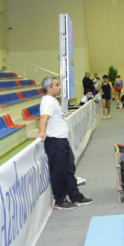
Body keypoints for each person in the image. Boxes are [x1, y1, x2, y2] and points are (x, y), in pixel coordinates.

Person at [36, 77, 92, 210]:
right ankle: (60, 200)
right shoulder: (48, 102)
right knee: (58, 172)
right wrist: (42, 132)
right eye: (57, 85)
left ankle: (75, 196)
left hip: (61, 141)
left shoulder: (53, 100)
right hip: (55, 142)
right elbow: (44, 118)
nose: (60, 87)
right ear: (49, 88)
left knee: (69, 170)